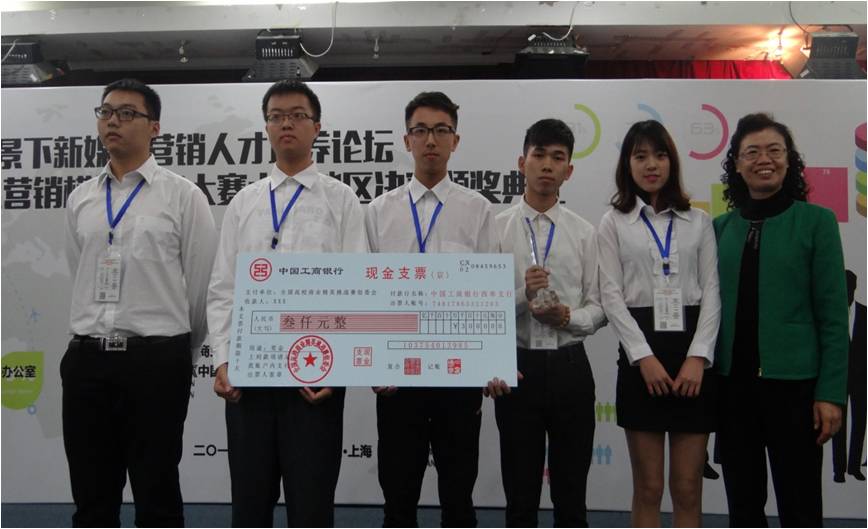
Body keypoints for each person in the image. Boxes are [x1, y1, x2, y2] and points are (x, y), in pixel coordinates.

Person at [207, 80, 368, 527]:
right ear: (266, 128)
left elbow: (357, 286)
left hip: (315, 378)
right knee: (249, 507)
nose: (286, 124)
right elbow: (223, 288)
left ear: (317, 127)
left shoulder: (341, 199)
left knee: (311, 507)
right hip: (249, 376)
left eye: (297, 115)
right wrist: (223, 360)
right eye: (276, 116)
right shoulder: (245, 202)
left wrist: (338, 369)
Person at [62, 78, 218, 527]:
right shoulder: (81, 198)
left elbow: (201, 285)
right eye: (106, 112)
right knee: (91, 496)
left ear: (155, 128)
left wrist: (179, 351)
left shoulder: (183, 196)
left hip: (156, 362)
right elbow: (79, 272)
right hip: (87, 360)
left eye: (127, 113)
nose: (113, 121)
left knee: (157, 493)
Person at [365, 91, 498, 527]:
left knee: (458, 495)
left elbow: (488, 291)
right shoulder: (379, 211)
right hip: (397, 374)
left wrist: (489, 362)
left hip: (458, 372)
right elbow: (367, 293)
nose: (430, 140)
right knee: (398, 495)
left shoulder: (477, 210)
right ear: (406, 140)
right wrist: (375, 365)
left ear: (455, 141)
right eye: (420, 130)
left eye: (441, 130)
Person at [714, 112, 848, 527]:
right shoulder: (719, 229)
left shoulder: (817, 222)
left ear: (790, 161)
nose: (764, 159)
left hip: (796, 391)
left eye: (775, 150)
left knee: (801, 507)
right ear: (737, 164)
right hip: (733, 390)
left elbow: (832, 318)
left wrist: (831, 394)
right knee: (743, 508)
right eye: (751, 152)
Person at [597, 120, 720, 527]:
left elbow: (712, 292)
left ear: (672, 162)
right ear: (627, 164)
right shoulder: (613, 222)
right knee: (648, 488)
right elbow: (611, 295)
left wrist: (698, 358)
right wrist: (643, 357)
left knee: (687, 487)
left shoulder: (699, 220)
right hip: (641, 357)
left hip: (692, 357)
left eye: (660, 155)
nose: (651, 164)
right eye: (641, 156)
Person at [485, 118, 606, 527]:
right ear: (522, 162)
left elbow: (599, 306)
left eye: (557, 158)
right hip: (517, 367)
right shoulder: (495, 230)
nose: (547, 165)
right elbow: (482, 307)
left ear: (569, 171)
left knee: (572, 497)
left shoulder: (585, 233)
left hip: (570, 366)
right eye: (539, 155)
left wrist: (568, 316)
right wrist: (524, 295)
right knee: (520, 497)